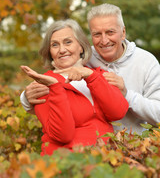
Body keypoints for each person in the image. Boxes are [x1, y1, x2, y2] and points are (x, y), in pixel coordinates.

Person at [21, 3, 160, 134]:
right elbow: (57, 89)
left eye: (110, 32)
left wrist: (127, 95)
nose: (104, 40)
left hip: (134, 146)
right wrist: (26, 98)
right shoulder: (83, 57)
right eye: (97, 34)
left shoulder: (146, 62)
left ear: (123, 33)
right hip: (95, 146)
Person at [20, 19, 128, 155]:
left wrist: (91, 77)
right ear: (49, 51)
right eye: (54, 45)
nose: (62, 50)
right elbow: (62, 135)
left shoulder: (99, 75)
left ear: (81, 46)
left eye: (68, 42)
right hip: (68, 163)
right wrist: (55, 87)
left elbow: (117, 112)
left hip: (106, 159)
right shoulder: (43, 84)